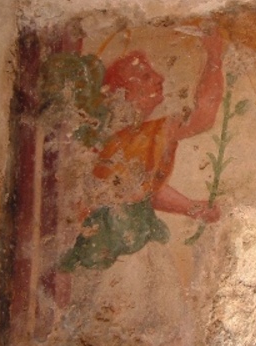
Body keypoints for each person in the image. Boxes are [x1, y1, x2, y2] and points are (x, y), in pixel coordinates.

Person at [61, 28, 224, 270]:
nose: (159, 78)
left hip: (129, 244)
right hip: (116, 250)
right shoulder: (136, 137)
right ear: (126, 94)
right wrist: (214, 58)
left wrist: (191, 207)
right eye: (146, 76)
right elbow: (203, 117)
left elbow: (145, 189)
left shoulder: (130, 139)